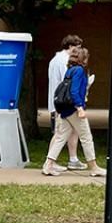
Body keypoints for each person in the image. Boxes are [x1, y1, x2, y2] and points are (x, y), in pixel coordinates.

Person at [43, 45, 106, 177]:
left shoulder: (70, 70)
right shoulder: (79, 71)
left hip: (65, 109)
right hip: (74, 109)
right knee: (86, 137)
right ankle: (93, 167)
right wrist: (80, 108)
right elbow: (74, 91)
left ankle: (48, 165)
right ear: (84, 59)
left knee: (60, 137)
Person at [47, 34, 85, 171]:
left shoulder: (55, 60)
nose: (78, 51)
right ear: (70, 46)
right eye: (77, 47)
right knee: (60, 133)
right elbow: (69, 81)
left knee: (70, 131)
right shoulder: (64, 61)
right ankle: (50, 162)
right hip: (64, 102)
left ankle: (72, 159)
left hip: (58, 100)